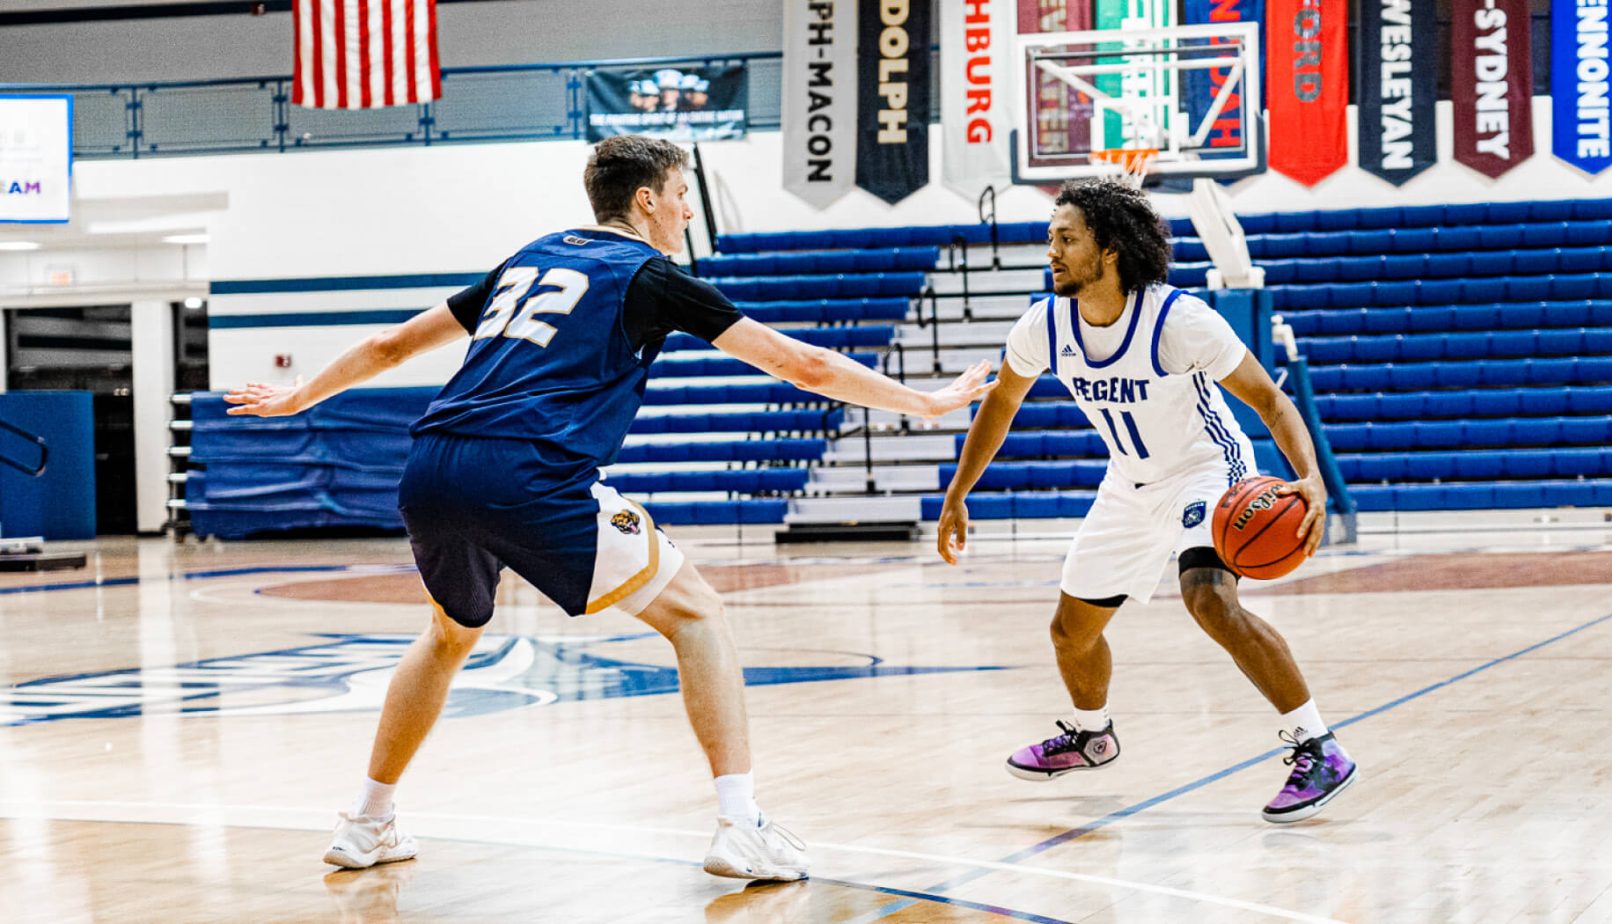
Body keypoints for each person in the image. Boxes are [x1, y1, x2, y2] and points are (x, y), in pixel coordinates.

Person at [226, 134, 995, 879]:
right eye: (684, 197)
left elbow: (395, 348)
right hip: (528, 472)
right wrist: (924, 403)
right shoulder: (649, 274)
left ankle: (366, 822)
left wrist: (301, 395)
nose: (689, 214)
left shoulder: (529, 256)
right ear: (647, 200)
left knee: (448, 635)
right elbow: (803, 364)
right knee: (697, 615)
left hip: (432, 466)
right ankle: (741, 825)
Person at [935, 177, 1358, 823]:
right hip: (1128, 483)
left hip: (1205, 471)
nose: (1051, 250)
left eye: (1066, 239)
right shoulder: (1044, 324)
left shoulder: (1177, 319)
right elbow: (1002, 402)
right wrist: (959, 491)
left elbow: (1271, 400)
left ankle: (1319, 745)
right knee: (1070, 633)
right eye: (1051, 238)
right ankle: (1091, 735)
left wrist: (1311, 480)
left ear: (1108, 249)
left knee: (1208, 598)